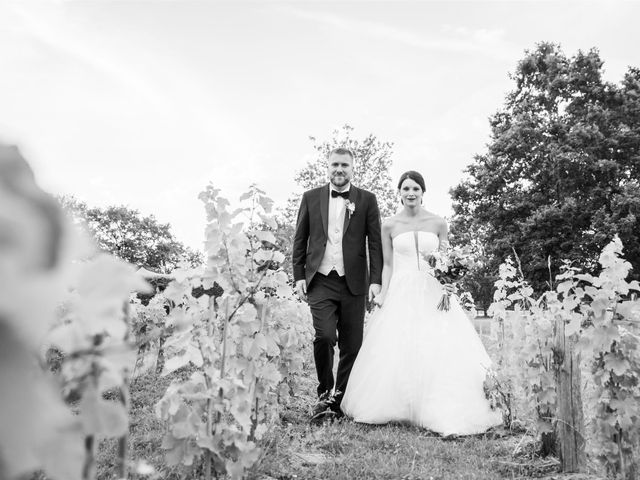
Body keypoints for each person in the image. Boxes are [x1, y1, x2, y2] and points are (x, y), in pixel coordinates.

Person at [341, 170, 502, 436]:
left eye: (415, 188)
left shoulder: (438, 223)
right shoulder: (390, 225)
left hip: (433, 289)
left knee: (439, 343)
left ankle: (439, 405)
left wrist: (451, 282)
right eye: (405, 189)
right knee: (399, 344)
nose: (410, 193)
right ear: (400, 193)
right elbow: (388, 263)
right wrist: (382, 292)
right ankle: (399, 404)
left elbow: (449, 259)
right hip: (402, 288)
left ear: (423, 192)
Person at [292, 147, 383, 423]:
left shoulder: (367, 199)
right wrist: (298, 276)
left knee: (352, 345)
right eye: (334, 165)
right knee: (324, 336)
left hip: (354, 281)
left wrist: (376, 281)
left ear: (353, 168)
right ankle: (323, 393)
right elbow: (300, 238)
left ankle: (339, 401)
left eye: (344, 165)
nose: (339, 169)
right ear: (327, 167)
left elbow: (375, 243)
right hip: (319, 279)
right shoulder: (310, 197)